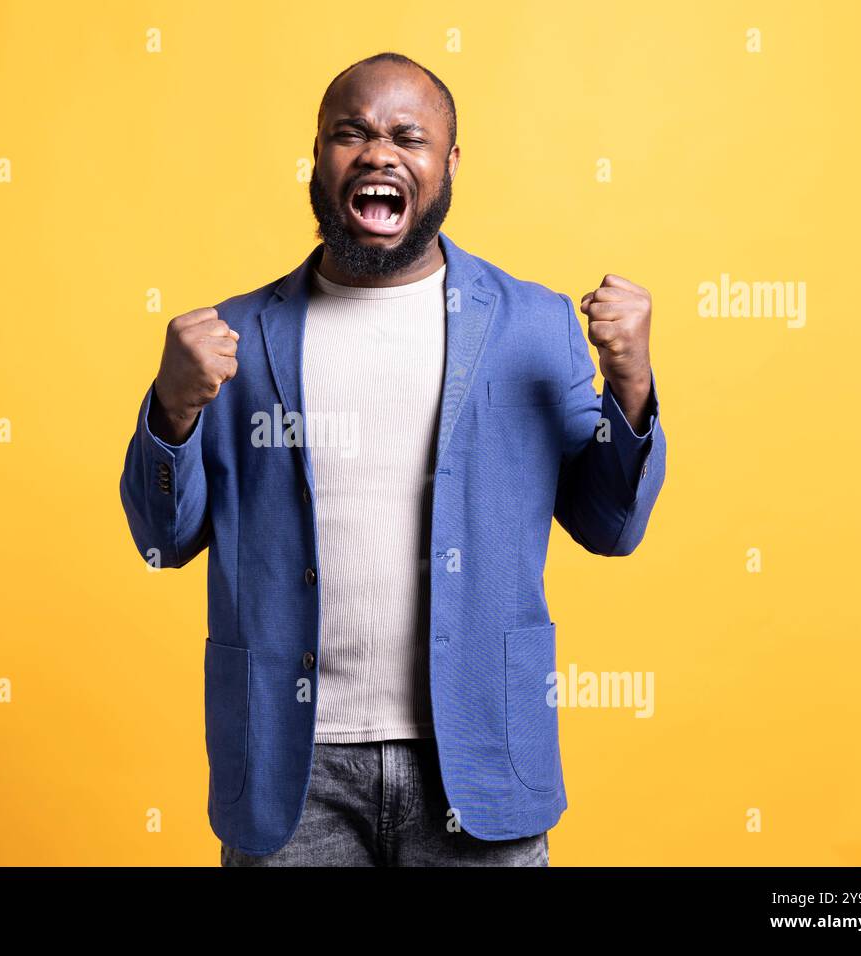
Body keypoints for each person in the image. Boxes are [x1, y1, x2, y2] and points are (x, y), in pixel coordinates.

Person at [120, 52, 666, 866]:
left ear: (447, 165)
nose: (378, 153)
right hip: (288, 773)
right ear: (318, 157)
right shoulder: (234, 337)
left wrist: (631, 383)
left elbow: (610, 525)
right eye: (351, 133)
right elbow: (164, 539)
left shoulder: (531, 324)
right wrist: (172, 408)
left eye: (407, 137)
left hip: (477, 759)